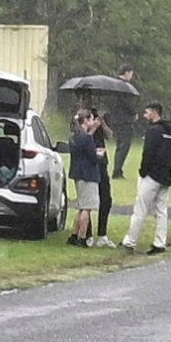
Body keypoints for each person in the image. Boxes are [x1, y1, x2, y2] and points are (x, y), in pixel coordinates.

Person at [125, 101, 171, 250]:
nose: (145, 115)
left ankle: (130, 240)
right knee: (161, 211)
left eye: (147, 112)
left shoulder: (154, 131)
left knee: (140, 209)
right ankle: (160, 242)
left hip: (151, 176)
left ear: (155, 113)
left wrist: (143, 171)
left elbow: (148, 153)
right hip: (165, 175)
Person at [67, 104, 113, 244]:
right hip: (88, 174)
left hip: (77, 172)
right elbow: (92, 156)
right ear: (85, 121)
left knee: (81, 207)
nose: (93, 121)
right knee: (86, 209)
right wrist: (98, 155)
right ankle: (82, 237)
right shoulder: (86, 138)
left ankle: (74, 235)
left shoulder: (74, 136)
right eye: (91, 119)